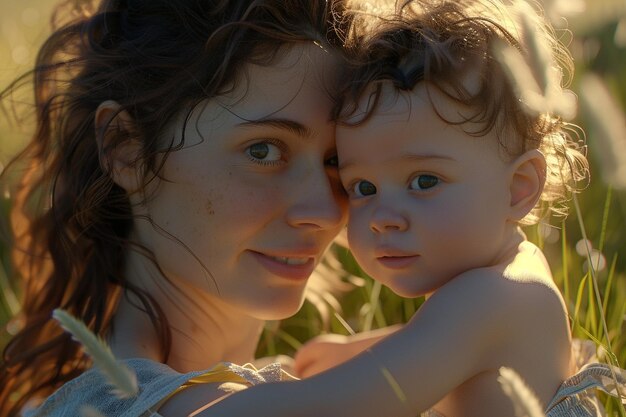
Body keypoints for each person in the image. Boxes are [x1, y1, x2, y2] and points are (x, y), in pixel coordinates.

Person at [202, 0, 626, 416]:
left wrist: (183, 406)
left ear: (519, 188)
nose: (384, 218)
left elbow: (337, 405)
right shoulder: (505, 280)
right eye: (363, 187)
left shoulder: (495, 297)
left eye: (424, 182)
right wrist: (354, 351)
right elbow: (438, 339)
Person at [0, 0, 351, 415]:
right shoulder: (109, 408)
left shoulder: (320, 380)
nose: (327, 211)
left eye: (337, 159)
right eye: (263, 150)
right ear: (124, 148)